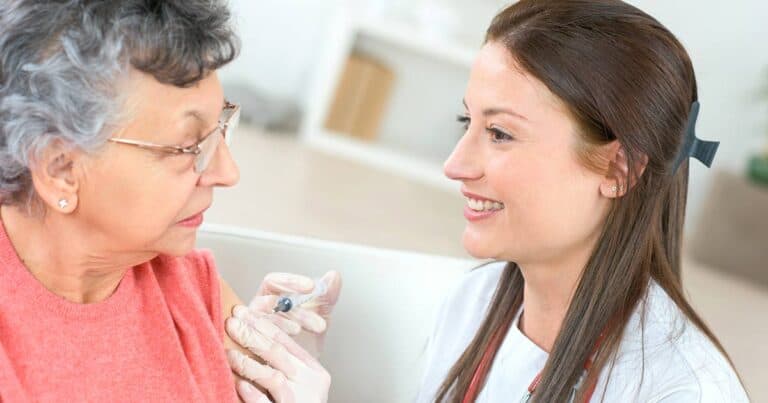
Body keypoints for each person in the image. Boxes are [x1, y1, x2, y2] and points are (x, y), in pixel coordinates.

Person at [228, 0, 749, 402]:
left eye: (499, 133)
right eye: (467, 122)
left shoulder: (684, 389)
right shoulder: (473, 304)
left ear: (618, 169)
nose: (455, 164)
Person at [0, 1, 338, 402]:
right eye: (188, 145)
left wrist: (277, 371)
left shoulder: (192, 292)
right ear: (60, 170)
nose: (228, 174)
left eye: (220, 128)